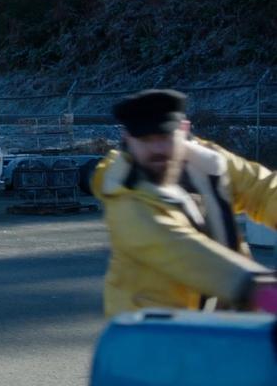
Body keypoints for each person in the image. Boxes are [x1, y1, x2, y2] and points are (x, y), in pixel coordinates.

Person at [92, 89, 277, 317]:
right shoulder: (122, 193)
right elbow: (187, 253)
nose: (158, 149)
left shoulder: (210, 164)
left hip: (221, 326)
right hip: (152, 337)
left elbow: (262, 189)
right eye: (146, 140)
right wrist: (265, 295)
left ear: (184, 130)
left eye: (165, 137)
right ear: (127, 138)